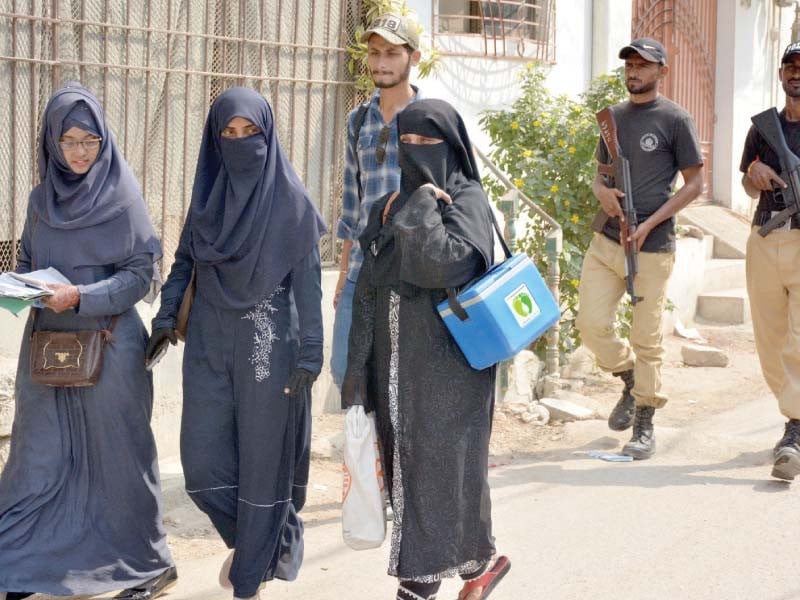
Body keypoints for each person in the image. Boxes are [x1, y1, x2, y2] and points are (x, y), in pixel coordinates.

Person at [146, 87, 325, 600]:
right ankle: (271, 539)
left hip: (270, 347)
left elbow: (309, 284)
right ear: (214, 139)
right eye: (230, 133)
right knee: (201, 468)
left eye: (252, 133)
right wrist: (163, 319)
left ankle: (250, 577)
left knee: (263, 465)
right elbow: (185, 261)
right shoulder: (208, 199)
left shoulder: (291, 202)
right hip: (207, 339)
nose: (241, 142)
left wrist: (311, 353)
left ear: (268, 135)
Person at [0, 83, 176, 600]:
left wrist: (80, 295)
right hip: (49, 349)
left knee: (118, 459)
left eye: (90, 141)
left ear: (105, 141)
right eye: (69, 140)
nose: (79, 152)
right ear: (52, 143)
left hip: (110, 345)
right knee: (39, 456)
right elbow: (28, 262)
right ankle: (24, 564)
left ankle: (146, 567)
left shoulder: (123, 199)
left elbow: (141, 274)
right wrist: (24, 287)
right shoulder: (39, 201)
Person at [341, 98, 510, 600]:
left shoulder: (468, 199)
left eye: (427, 141)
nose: (416, 151)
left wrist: (419, 212)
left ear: (451, 146)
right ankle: (482, 563)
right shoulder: (395, 201)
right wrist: (357, 372)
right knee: (415, 476)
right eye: (407, 141)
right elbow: (371, 280)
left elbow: (442, 265)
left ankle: (417, 587)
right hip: (394, 368)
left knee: (434, 474)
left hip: (449, 375)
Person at [575, 38, 704, 460]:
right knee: (590, 323)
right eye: (630, 64)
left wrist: (651, 222)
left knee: (646, 337)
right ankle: (628, 377)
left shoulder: (675, 119)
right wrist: (602, 194)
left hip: (652, 245)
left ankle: (645, 419)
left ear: (661, 72)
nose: (634, 71)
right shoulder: (611, 119)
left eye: (643, 65)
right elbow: (600, 176)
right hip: (608, 239)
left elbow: (695, 185)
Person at [331, 12, 424, 390]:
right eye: (374, 53)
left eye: (391, 53)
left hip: (411, 272)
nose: (381, 62)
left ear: (413, 58)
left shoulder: (429, 119)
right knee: (345, 372)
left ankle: (390, 451)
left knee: (400, 381)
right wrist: (341, 276)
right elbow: (352, 205)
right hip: (362, 270)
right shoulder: (358, 120)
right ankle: (371, 449)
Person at [740, 41, 800, 481]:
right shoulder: (763, 128)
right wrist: (752, 175)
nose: (796, 73)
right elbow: (746, 184)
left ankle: (795, 430)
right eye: (790, 66)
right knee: (770, 339)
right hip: (764, 237)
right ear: (780, 74)